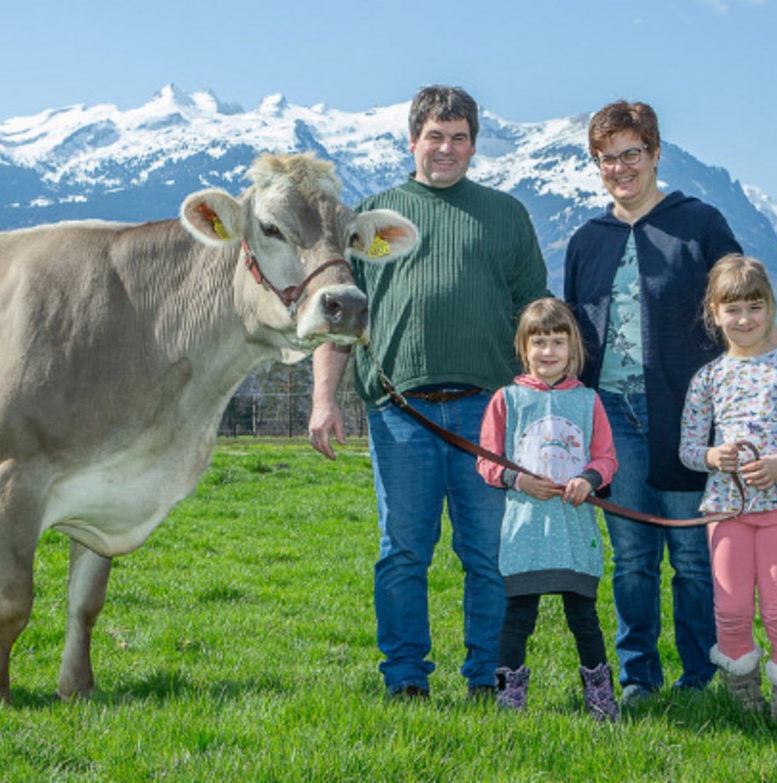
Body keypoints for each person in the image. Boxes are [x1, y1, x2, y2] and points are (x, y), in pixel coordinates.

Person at [309, 85, 550, 700]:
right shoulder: (372, 220)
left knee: (488, 555)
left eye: (459, 137)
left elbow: (535, 319)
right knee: (404, 551)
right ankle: (406, 679)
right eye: (434, 136)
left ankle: (489, 680)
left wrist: (540, 402)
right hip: (401, 412)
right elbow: (341, 319)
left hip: (489, 411)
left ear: (473, 144)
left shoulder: (505, 215)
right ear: (412, 140)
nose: (446, 148)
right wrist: (323, 400)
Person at [563, 100, 742, 705]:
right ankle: (639, 675)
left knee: (692, 554)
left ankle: (702, 676)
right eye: (606, 158)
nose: (620, 167)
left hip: (688, 416)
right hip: (612, 416)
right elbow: (574, 338)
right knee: (633, 556)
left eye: (631, 153)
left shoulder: (700, 224)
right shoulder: (589, 240)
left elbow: (742, 304)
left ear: (656, 152)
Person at [678, 255, 777, 729]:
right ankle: (741, 702)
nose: (744, 319)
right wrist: (713, 457)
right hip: (726, 508)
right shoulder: (708, 378)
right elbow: (688, 448)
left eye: (754, 306)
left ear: (770, 307)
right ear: (715, 312)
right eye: (733, 309)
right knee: (729, 608)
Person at [476, 298, 620, 721]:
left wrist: (589, 479)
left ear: (572, 347)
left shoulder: (588, 400)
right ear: (523, 347)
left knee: (583, 616)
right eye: (539, 342)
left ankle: (600, 697)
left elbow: (606, 457)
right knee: (519, 615)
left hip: (574, 525)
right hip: (525, 526)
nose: (548, 352)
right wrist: (518, 480)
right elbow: (486, 459)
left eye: (558, 342)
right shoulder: (508, 400)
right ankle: (510, 696)